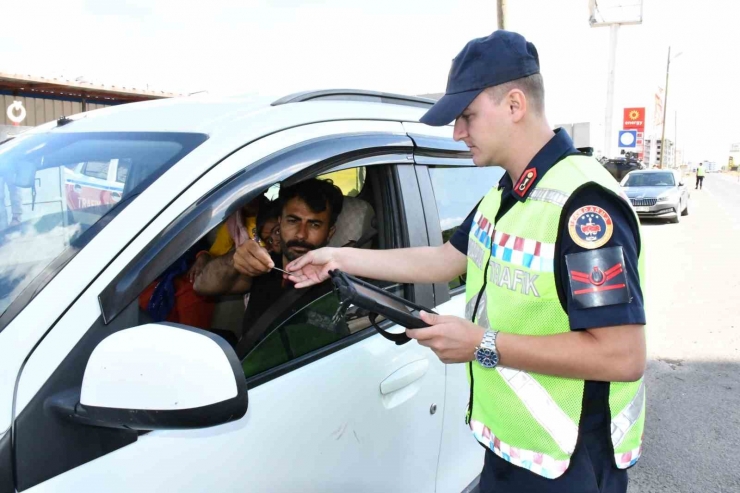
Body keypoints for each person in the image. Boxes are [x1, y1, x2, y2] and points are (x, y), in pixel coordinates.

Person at [286, 31, 646, 493]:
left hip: (570, 463)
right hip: (511, 451)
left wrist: (482, 343)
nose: (458, 132)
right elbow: (443, 259)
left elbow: (622, 355)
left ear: (515, 105)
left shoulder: (583, 207)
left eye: (467, 116)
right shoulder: (507, 194)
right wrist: (336, 257)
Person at [194, 178, 344, 331]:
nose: (301, 234)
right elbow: (202, 286)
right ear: (280, 222)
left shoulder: (340, 283)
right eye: (293, 221)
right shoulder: (263, 265)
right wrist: (233, 259)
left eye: (314, 224)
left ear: (330, 232)